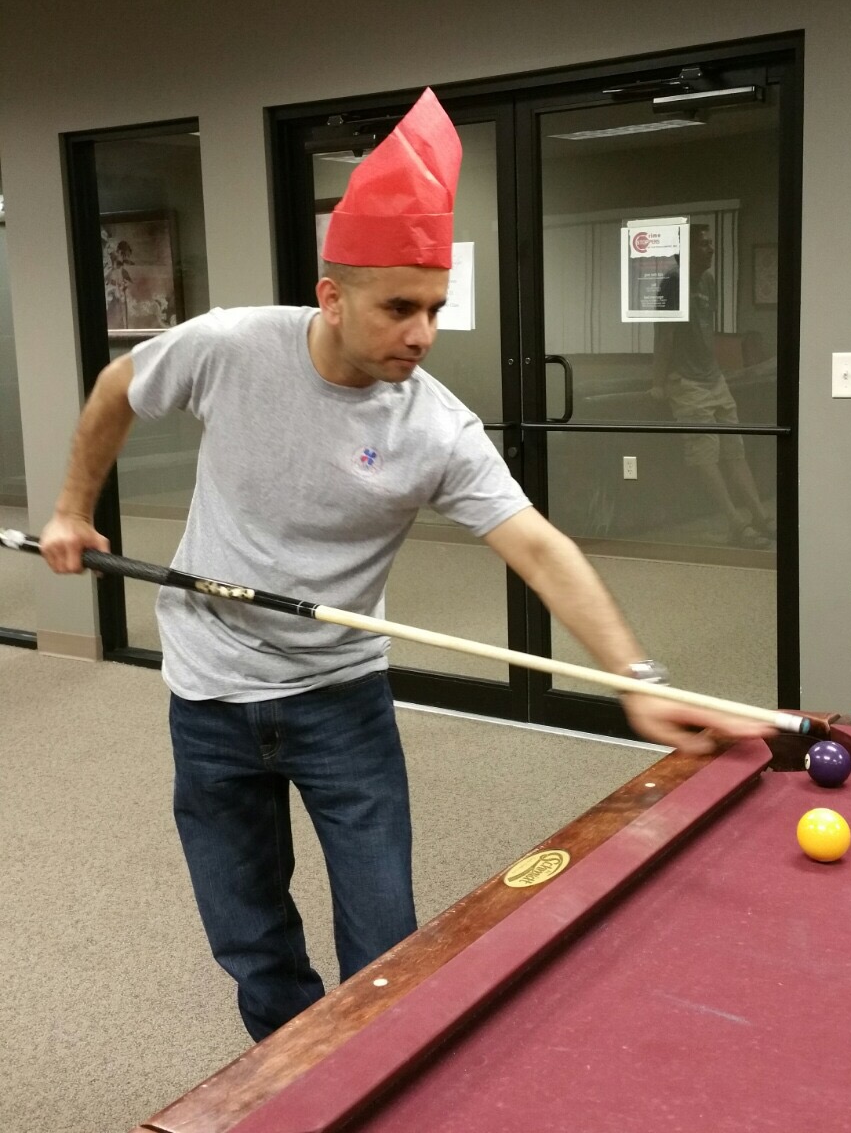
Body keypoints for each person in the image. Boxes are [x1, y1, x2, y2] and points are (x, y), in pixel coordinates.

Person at [40, 90, 770, 1043]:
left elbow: (539, 546)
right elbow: (117, 386)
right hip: (210, 694)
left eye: (433, 308)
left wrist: (636, 679)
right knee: (250, 936)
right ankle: (295, 1078)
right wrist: (72, 509)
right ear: (331, 297)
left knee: (388, 945)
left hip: (341, 700)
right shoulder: (229, 347)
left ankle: (367, 1067)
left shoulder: (434, 427)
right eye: (398, 308)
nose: (422, 334)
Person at [651, 225, 776, 548]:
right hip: (686, 382)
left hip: (713, 378)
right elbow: (664, 337)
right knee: (704, 455)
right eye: (703, 244)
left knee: (735, 450)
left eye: (710, 243)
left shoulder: (707, 280)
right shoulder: (671, 285)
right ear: (686, 250)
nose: (710, 249)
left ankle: (760, 516)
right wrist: (658, 383)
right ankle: (735, 523)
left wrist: (718, 371)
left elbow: (706, 329)